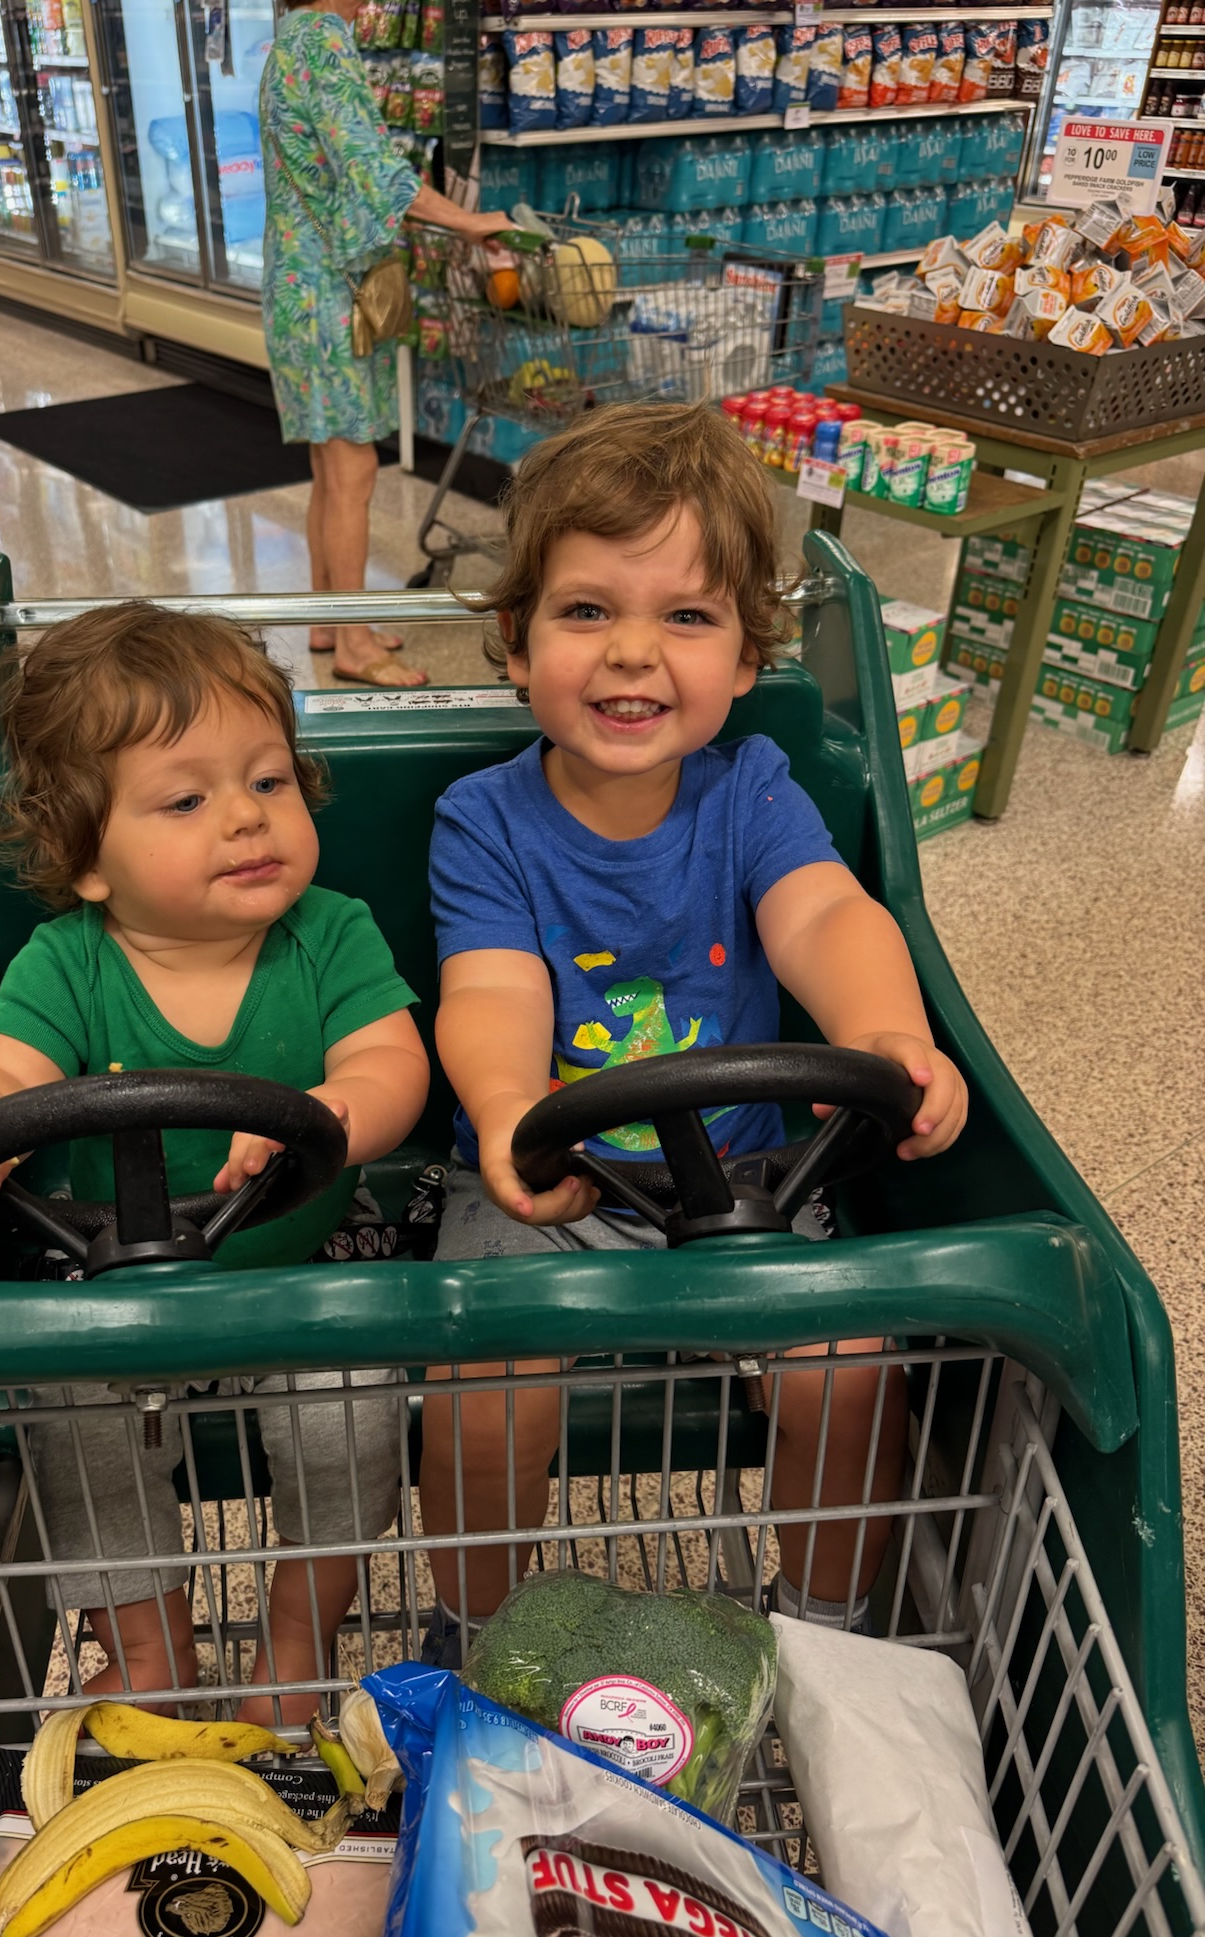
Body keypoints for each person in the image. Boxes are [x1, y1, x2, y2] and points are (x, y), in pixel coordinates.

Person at [420, 401, 970, 1654]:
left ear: (746, 653)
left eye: (686, 615)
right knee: (480, 1390)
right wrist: (506, 1108)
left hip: (752, 1180)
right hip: (549, 1185)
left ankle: (827, 1634)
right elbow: (494, 989)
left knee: (849, 1367)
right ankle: (479, 1636)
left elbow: (827, 913)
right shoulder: (483, 819)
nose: (633, 654)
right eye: (586, 610)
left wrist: (886, 1031)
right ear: (514, 642)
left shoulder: (753, 793)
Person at [0, 601, 428, 1717]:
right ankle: (149, 1644)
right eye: (187, 798)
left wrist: (327, 1107)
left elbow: (392, 1069)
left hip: (302, 1271)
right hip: (119, 1286)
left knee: (351, 1409)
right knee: (67, 1406)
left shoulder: (331, 932)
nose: (245, 818)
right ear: (84, 858)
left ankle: (296, 1642)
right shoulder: (66, 961)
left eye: (269, 782)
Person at [259, 0, 510, 688]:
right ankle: (354, 645)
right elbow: (371, 167)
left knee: (329, 467)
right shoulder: (323, 40)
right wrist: (466, 221)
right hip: (329, 295)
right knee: (354, 472)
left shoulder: (292, 40)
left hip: (298, 286)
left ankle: (329, 616)